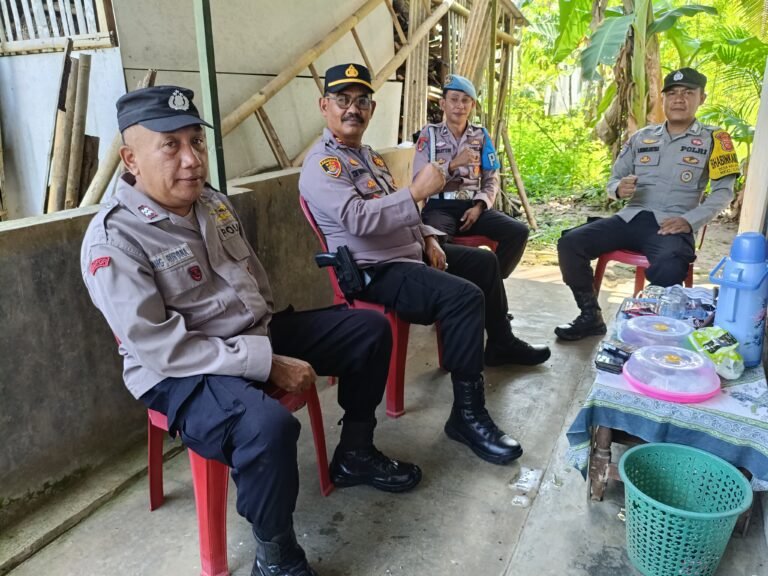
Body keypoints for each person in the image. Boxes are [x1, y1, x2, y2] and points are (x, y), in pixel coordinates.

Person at [81, 86, 422, 576]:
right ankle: (275, 556)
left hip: (252, 333)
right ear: (131, 159)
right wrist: (265, 363)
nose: (191, 159)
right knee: (268, 428)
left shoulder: (212, 203)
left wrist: (264, 344)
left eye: (196, 142)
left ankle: (355, 453)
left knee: (368, 329)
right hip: (180, 371)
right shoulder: (115, 239)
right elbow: (160, 347)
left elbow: (252, 288)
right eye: (170, 145)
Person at [300, 63, 534, 468]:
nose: (353, 109)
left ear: (372, 109)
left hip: (406, 253)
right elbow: (358, 219)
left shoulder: (369, 157)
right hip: (374, 270)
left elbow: (399, 210)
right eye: (342, 100)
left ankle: (500, 341)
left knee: (482, 263)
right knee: (463, 297)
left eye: (362, 101)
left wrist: (426, 236)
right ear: (325, 106)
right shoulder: (323, 164)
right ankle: (467, 415)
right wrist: (414, 192)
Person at [555, 67, 739, 341]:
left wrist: (689, 221)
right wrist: (619, 189)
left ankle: (654, 327)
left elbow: (724, 192)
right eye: (672, 93)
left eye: (688, 93)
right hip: (630, 218)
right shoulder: (642, 137)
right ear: (663, 99)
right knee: (570, 243)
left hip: (672, 224)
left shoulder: (716, 140)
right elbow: (614, 180)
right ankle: (590, 315)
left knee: (669, 264)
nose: (679, 99)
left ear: (702, 98)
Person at [412, 74, 530, 280]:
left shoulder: (481, 135)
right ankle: (457, 289)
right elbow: (418, 179)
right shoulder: (429, 135)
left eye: (465, 100)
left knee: (518, 232)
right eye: (454, 99)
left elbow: (491, 179)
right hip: (439, 207)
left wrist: (479, 206)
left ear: (473, 105)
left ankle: (492, 282)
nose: (460, 105)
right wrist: (453, 164)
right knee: (432, 246)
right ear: (443, 103)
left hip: (473, 207)